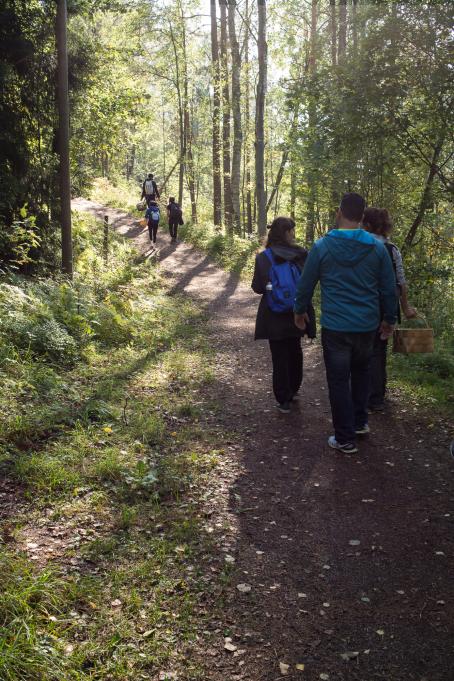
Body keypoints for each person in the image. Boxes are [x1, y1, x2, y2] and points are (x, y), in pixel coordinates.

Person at [294, 193, 397, 454]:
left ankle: (344, 438)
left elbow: (305, 284)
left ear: (339, 212)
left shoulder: (322, 246)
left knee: (339, 381)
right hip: (366, 326)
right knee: (362, 374)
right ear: (362, 217)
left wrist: (299, 311)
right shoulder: (378, 248)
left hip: (337, 327)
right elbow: (388, 289)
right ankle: (360, 423)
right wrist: (389, 320)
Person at [252, 216, 316, 413]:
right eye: (292, 231)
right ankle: (294, 388)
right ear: (287, 233)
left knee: (279, 355)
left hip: (273, 314)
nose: (293, 234)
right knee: (295, 350)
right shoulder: (301, 254)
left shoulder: (264, 257)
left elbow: (258, 288)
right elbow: (309, 282)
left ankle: (283, 399)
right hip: (298, 312)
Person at [362, 207, 417, 411]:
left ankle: (360, 394)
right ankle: (376, 398)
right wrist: (405, 308)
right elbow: (400, 282)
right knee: (378, 352)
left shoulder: (358, 244)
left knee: (360, 350)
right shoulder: (392, 249)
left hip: (362, 305)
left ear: (366, 225)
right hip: (386, 307)